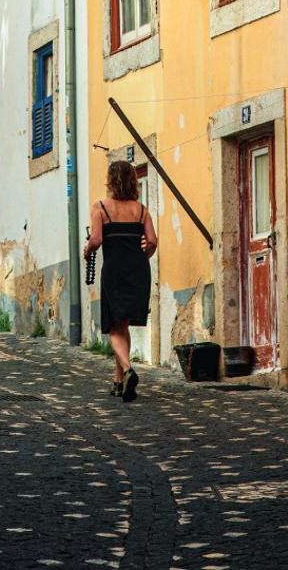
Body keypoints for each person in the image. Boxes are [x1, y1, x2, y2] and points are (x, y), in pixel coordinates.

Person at [83, 159, 158, 401]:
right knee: (122, 324)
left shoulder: (100, 207)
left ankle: (128, 370)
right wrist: (142, 256)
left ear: (111, 180)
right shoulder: (141, 210)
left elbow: (96, 240)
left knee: (114, 325)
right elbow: (153, 241)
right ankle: (118, 381)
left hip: (114, 270)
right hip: (138, 270)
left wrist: (86, 250)